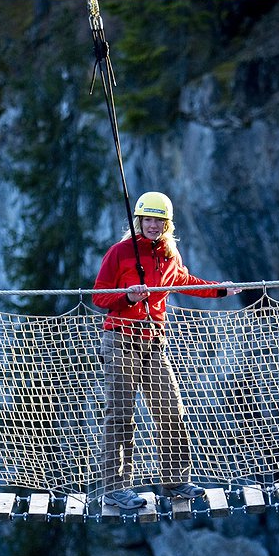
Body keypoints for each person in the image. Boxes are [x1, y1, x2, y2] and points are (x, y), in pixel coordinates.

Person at [93, 190, 240, 510]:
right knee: (120, 416)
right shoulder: (120, 253)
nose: (153, 226)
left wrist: (219, 290)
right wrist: (128, 297)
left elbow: (185, 280)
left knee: (171, 411)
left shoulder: (169, 255)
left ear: (167, 225)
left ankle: (175, 480)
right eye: (148, 219)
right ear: (139, 221)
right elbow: (99, 297)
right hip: (121, 341)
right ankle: (116, 487)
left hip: (153, 344)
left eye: (160, 221)